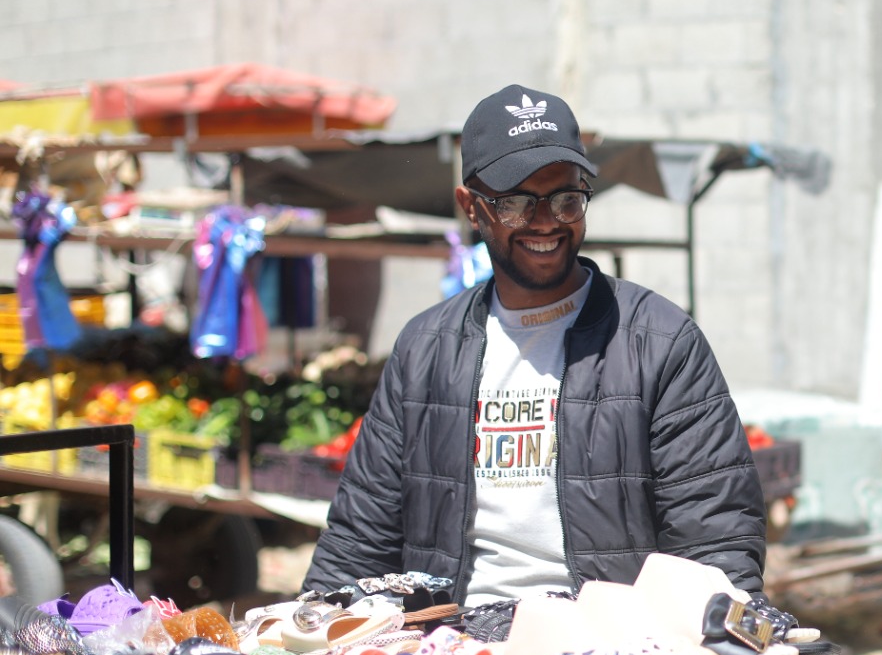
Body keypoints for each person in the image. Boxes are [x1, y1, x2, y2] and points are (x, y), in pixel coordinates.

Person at [304, 84, 765, 600]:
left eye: (566, 199)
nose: (546, 222)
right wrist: (307, 635)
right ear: (471, 208)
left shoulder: (658, 342)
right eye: (516, 202)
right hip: (452, 641)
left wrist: (717, 643)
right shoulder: (425, 350)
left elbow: (716, 536)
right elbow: (360, 539)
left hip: (611, 644)